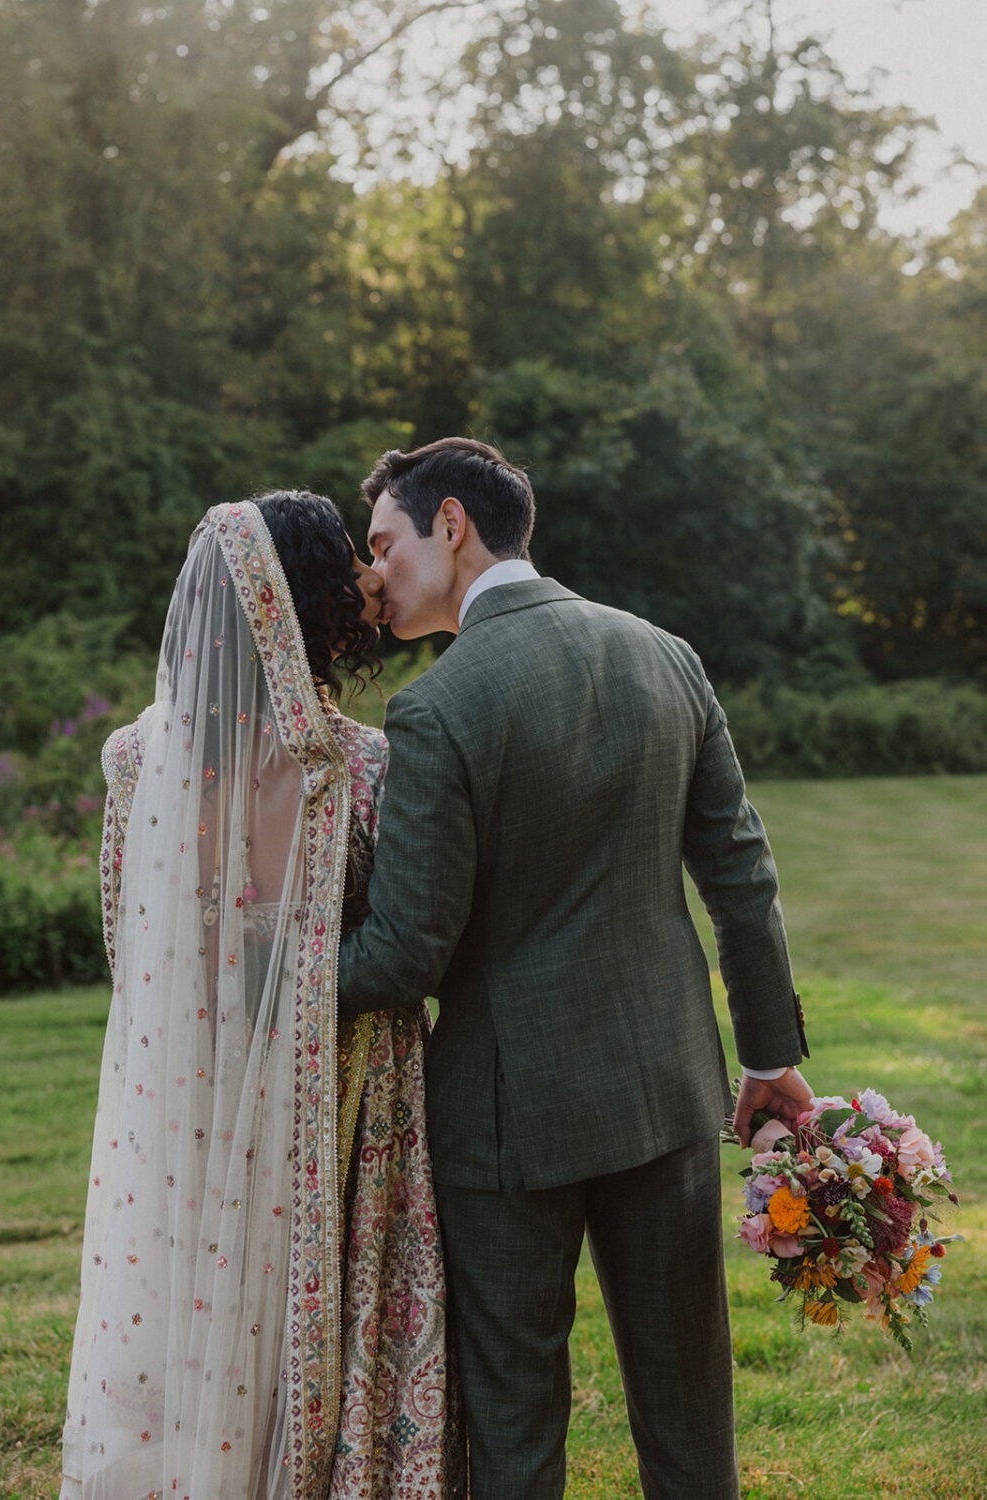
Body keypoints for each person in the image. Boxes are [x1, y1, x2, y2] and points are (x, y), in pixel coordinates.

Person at [336, 437, 813, 1499]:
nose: (374, 576)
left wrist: (276, 972)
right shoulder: (664, 654)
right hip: (664, 1093)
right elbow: (741, 879)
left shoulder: (436, 707)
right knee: (690, 1415)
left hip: (508, 1128)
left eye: (384, 543)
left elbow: (410, 948)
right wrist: (768, 1056)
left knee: (514, 1424)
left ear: (448, 523)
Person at [60, 493, 466, 1500]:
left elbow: (133, 950)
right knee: (312, 1317)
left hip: (194, 1098)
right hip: (351, 1105)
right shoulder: (363, 767)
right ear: (316, 605)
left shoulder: (133, 766)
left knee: (207, 1326)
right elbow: (418, 941)